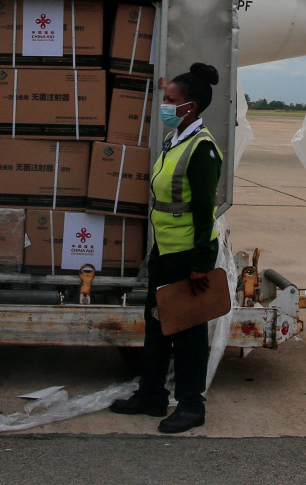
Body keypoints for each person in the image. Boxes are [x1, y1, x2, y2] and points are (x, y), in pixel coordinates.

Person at [110, 62, 223, 433]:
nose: (165, 103)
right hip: (165, 253)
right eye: (165, 97)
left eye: (171, 99)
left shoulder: (202, 149)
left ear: (191, 106)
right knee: (157, 327)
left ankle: (192, 405)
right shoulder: (175, 140)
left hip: (189, 257)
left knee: (189, 334)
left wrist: (202, 264)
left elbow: (205, 212)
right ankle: (152, 394)